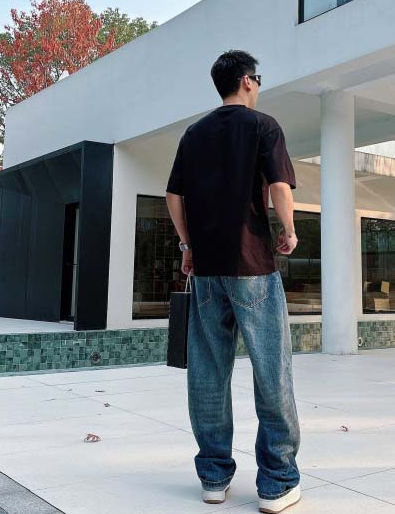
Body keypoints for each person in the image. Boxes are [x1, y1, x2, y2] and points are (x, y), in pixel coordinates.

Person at [165, 50, 301, 513]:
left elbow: (173, 195)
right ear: (246, 81)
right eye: (257, 78)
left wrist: (187, 246)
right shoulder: (264, 126)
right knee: (271, 370)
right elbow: (279, 187)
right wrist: (289, 230)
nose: (258, 85)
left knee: (208, 372)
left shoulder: (194, 133)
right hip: (254, 265)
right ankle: (277, 483)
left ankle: (213, 478)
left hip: (207, 270)